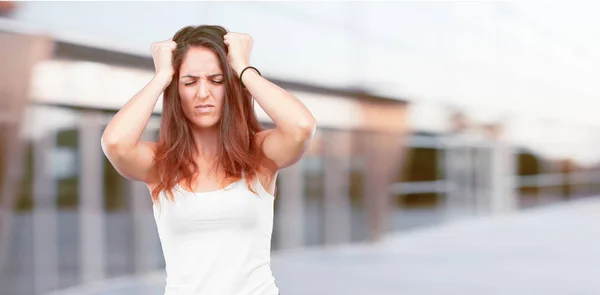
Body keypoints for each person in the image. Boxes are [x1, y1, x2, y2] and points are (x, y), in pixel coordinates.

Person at [101, 25, 316, 295]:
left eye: (217, 80)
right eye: (190, 82)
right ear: (175, 91)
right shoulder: (160, 164)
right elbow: (115, 142)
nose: (203, 93)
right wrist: (161, 76)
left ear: (232, 85)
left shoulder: (260, 154)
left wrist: (243, 68)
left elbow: (302, 126)